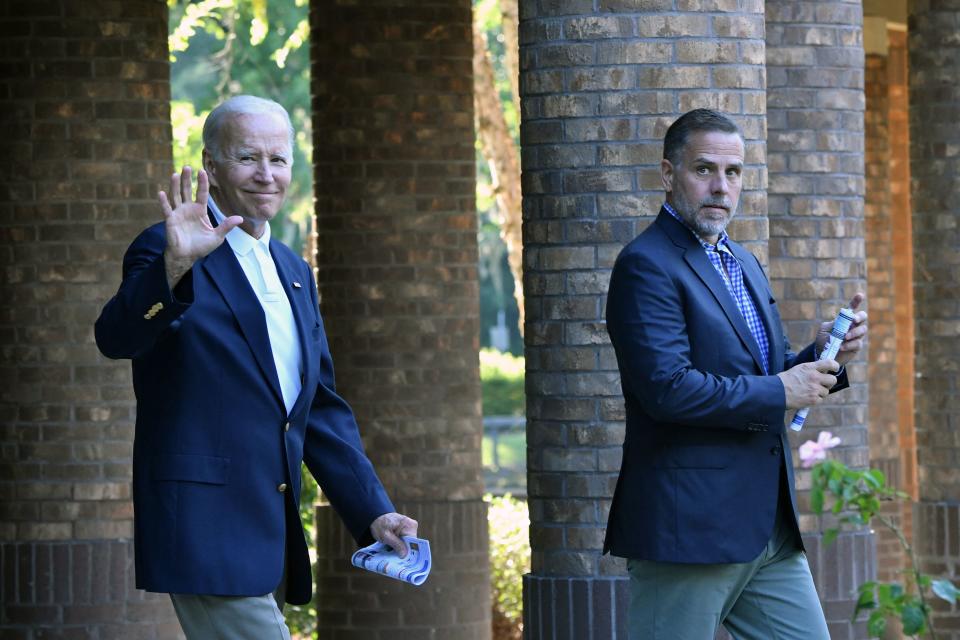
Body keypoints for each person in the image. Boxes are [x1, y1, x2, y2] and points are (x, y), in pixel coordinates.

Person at [95, 95, 418, 639]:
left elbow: (315, 412)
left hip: (270, 531)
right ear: (212, 166)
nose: (266, 175)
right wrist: (175, 266)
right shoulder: (167, 248)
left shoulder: (294, 269)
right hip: (201, 524)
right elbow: (116, 337)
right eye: (248, 158)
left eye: (279, 159)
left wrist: (372, 513)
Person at [603, 108, 868, 640]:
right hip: (689, 531)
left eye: (734, 172)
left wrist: (823, 356)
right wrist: (780, 388)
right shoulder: (646, 265)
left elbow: (764, 375)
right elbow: (667, 390)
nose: (721, 187)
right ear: (668, 174)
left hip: (766, 530)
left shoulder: (741, 261)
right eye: (704, 170)